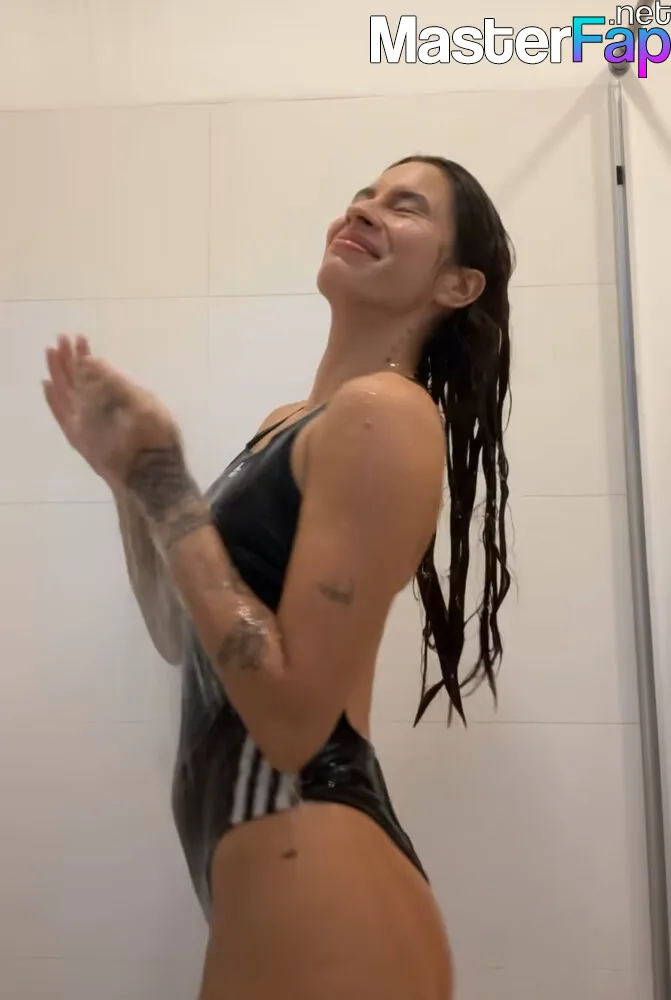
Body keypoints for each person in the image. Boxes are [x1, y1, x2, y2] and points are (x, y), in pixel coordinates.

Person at [42, 154, 513, 1000]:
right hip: (271, 875)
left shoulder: (385, 412)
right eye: (362, 194)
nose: (362, 209)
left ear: (456, 284)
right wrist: (129, 483)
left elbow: (293, 722)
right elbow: (180, 633)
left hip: (317, 867)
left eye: (404, 207)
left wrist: (166, 481)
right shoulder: (289, 426)